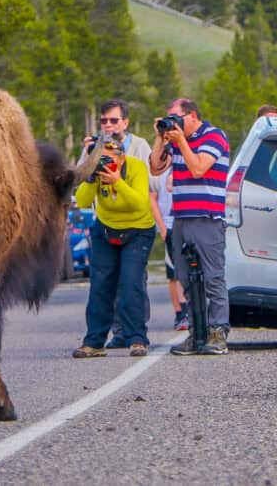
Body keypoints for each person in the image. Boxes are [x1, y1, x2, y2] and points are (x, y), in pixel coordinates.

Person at [150, 98, 230, 355]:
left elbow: (198, 168)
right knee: (184, 278)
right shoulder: (174, 141)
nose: (172, 122)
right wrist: (161, 137)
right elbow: (155, 167)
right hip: (181, 218)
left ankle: (218, 332)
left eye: (176, 117)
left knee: (213, 278)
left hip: (207, 218)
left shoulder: (214, 136)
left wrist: (180, 141)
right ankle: (197, 332)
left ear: (192, 116)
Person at [72, 135, 156, 359]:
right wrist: (90, 178)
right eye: (100, 159)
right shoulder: (96, 173)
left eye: (108, 159)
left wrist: (118, 181)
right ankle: (94, 342)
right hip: (106, 228)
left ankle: (137, 339)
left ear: (121, 158)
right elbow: (81, 201)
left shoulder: (136, 167)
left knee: (131, 284)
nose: (104, 164)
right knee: (100, 286)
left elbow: (140, 202)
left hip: (138, 229)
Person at [150, 169, 188, 330]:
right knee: (174, 272)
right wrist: (162, 227)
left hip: (188, 223)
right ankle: (180, 312)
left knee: (190, 269)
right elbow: (151, 198)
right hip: (170, 224)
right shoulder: (159, 170)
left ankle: (192, 310)